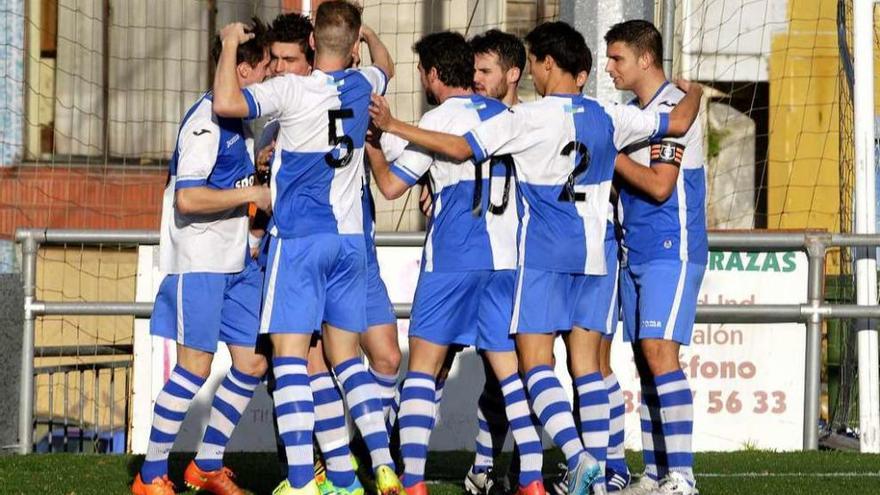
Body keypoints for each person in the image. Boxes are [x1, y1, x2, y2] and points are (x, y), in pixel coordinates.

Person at [369, 20, 702, 495]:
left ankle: (572, 456)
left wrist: (394, 127)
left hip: (536, 255)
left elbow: (460, 149)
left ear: (546, 65)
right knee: (586, 368)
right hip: (598, 253)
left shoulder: (525, 118)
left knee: (528, 367)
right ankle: (595, 473)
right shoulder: (611, 114)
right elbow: (679, 122)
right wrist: (694, 94)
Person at [211, 2, 403, 494]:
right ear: (354, 41)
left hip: (300, 239)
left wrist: (231, 42)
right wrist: (365, 34)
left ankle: (300, 481)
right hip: (349, 242)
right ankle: (371, 467)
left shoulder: (293, 88)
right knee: (345, 358)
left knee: (291, 357)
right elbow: (387, 63)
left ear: (312, 42)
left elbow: (228, 105)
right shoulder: (365, 84)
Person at [365, 31, 545, 495]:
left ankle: (413, 481)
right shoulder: (510, 115)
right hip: (507, 262)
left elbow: (390, 187)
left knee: (423, 370)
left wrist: (373, 144)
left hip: (453, 259)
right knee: (511, 374)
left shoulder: (438, 119)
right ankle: (531, 481)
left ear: (432, 73)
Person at [132, 19, 272, 495]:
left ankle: (206, 465)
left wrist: (259, 167)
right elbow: (187, 200)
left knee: (254, 361)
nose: (274, 76)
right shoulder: (206, 119)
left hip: (236, 261)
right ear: (245, 69)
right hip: (199, 262)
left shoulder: (241, 119)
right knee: (193, 368)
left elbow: (230, 182)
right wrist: (252, 190)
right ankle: (150, 475)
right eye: (269, 67)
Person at [604, 20, 707, 495]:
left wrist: (608, 155)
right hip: (634, 249)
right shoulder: (634, 112)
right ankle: (654, 471)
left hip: (672, 246)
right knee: (645, 361)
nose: (610, 68)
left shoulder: (673, 108)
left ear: (646, 59)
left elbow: (661, 186)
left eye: (618, 58)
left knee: (660, 354)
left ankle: (682, 475)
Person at [461, 28, 529, 495]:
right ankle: (485, 468)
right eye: (473, 71)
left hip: (527, 264)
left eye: (485, 71)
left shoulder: (534, 121)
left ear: (512, 74)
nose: (477, 80)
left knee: (523, 371)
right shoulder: (463, 119)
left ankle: (506, 468)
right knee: (502, 370)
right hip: (480, 265)